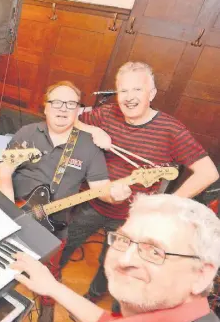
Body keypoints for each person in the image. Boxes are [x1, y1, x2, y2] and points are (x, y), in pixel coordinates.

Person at [61, 62, 219, 305]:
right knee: (66, 240)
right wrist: (93, 131)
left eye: (137, 90)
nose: (129, 97)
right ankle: (50, 284)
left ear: (151, 94)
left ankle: (94, 296)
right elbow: (70, 119)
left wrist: (165, 204)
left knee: (113, 260)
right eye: (123, 91)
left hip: (131, 216)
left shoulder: (170, 130)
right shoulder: (106, 114)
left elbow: (207, 172)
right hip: (95, 202)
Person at [0, 80, 132, 322]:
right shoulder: (26, 133)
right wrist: (8, 212)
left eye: (70, 104)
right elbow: (5, 171)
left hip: (54, 226)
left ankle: (48, 302)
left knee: (52, 270)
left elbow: (100, 188)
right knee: (2, 262)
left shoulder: (88, 145)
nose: (62, 109)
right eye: (56, 102)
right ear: (45, 108)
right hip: (16, 214)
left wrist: (116, 194)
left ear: (78, 111)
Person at [12, 194, 220, 322]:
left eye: (155, 251)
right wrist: (52, 287)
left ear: (202, 274)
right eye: (123, 240)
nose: (125, 260)